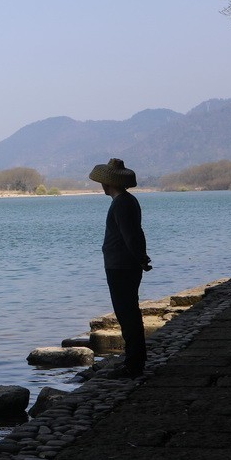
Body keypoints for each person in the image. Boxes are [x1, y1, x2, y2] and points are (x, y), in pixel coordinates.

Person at [88, 158, 152, 378]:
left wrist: (140, 258)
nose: (102, 186)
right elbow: (136, 234)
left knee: (127, 314)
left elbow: (131, 236)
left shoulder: (123, 203)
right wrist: (141, 257)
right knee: (128, 312)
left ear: (109, 183)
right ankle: (135, 359)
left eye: (103, 183)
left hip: (121, 267)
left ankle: (134, 364)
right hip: (124, 265)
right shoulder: (126, 201)